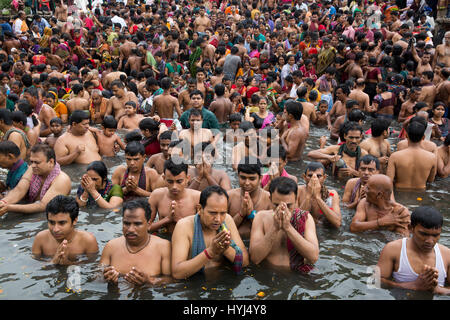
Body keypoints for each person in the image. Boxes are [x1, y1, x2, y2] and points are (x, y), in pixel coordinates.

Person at [171, 185, 249, 279]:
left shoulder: (227, 220)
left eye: (223, 213)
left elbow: (245, 261)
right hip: (194, 284)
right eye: (212, 213)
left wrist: (226, 250)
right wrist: (211, 252)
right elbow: (177, 273)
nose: (218, 219)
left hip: (223, 280)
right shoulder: (184, 226)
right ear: (199, 209)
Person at [249, 176, 319, 272]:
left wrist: (288, 228)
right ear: (270, 198)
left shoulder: (306, 218)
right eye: (276, 205)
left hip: (297, 276)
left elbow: (313, 257)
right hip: (268, 274)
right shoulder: (261, 217)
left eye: (289, 205)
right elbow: (255, 258)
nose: (282, 209)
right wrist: (275, 228)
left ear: (296, 199)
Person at [377, 206, 450, 295]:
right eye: (424, 234)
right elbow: (376, 281)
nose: (430, 241)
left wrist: (436, 290)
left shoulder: (447, 254)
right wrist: (413, 285)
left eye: (435, 235)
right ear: (410, 228)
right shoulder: (393, 250)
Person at [100, 199, 172, 286]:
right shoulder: (111, 246)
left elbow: (171, 280)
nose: (130, 229)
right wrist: (107, 279)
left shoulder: (163, 247)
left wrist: (150, 281)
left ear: (149, 224)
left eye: (137, 224)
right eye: (126, 223)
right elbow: (97, 277)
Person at [0, 143, 71, 215]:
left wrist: (9, 208)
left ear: (51, 162)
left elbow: (44, 206)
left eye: (37, 162)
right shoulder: (33, 169)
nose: (33, 165)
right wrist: (3, 202)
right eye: (32, 162)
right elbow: (19, 189)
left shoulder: (62, 180)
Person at [32, 195, 98, 265]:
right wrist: (53, 262)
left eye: (62, 223)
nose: (55, 229)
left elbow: (92, 269)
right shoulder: (41, 239)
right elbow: (33, 266)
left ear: (75, 220)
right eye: (51, 222)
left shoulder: (88, 241)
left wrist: (68, 264)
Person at [148, 159, 200, 236]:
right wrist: (168, 219)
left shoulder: (197, 197)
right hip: (164, 238)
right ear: (164, 178)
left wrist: (179, 220)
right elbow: (146, 228)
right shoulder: (156, 195)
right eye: (170, 182)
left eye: (179, 181)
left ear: (187, 179)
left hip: (188, 240)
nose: (174, 187)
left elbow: (204, 230)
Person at [227, 157, 272, 239]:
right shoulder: (229, 196)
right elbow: (223, 230)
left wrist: (251, 214)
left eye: (252, 179)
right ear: (238, 176)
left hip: (257, 246)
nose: (247, 183)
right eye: (243, 178)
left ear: (260, 178)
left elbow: (270, 233)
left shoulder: (269, 199)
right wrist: (241, 214)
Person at [387, 120, 436, 190]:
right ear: (423, 137)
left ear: (406, 136)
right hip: (421, 193)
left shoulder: (395, 156)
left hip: (399, 192)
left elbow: (389, 181)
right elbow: (430, 180)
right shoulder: (432, 157)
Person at [298, 162, 341, 228]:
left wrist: (318, 197)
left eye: (319, 176)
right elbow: (296, 222)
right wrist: (308, 196)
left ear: (324, 177)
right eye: (310, 176)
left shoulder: (331, 194)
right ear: (304, 177)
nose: (314, 179)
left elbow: (337, 223)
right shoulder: (298, 191)